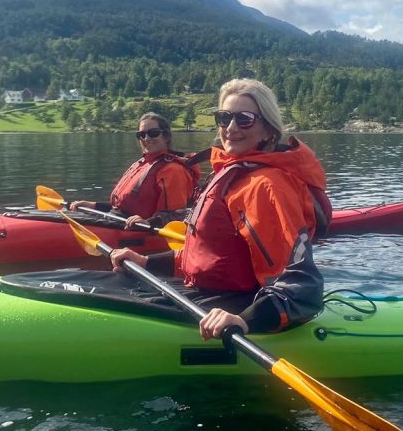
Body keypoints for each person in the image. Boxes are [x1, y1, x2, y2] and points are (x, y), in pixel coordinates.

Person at [110, 78, 331, 341]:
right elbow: (211, 259)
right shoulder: (233, 174)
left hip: (236, 308)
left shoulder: (266, 186)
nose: (231, 127)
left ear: (268, 130)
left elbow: (300, 285)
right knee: (77, 280)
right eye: (224, 118)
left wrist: (244, 320)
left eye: (244, 118)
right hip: (205, 292)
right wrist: (147, 262)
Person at [70, 112, 199, 229]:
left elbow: (176, 215)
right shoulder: (140, 164)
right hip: (116, 221)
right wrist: (93, 206)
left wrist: (148, 223)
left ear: (166, 136)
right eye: (141, 134)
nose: (146, 138)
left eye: (153, 133)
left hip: (138, 230)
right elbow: (123, 207)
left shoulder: (174, 170)